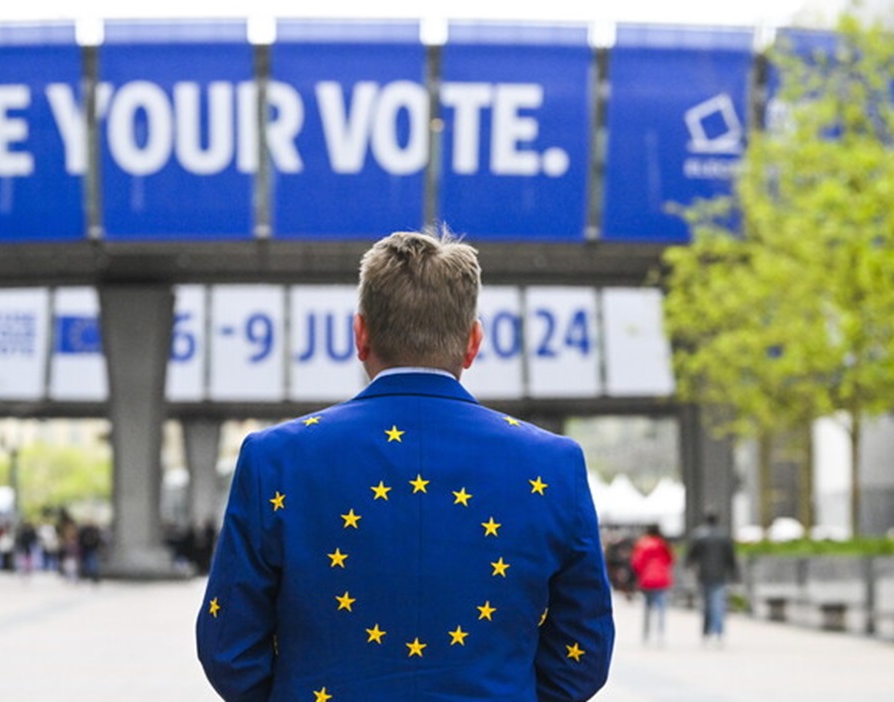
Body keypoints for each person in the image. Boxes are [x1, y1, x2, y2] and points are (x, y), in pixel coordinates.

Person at [196, 229, 614, 701]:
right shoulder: (554, 464)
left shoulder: (273, 458)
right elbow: (585, 649)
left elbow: (227, 647)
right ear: (473, 342)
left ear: (360, 334)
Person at [685, 510, 739, 646]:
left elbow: (691, 555)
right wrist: (734, 573)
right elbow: (731, 557)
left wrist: (689, 566)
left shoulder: (699, 535)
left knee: (707, 604)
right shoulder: (723, 536)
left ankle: (707, 631)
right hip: (720, 574)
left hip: (704, 574)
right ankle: (718, 631)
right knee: (718, 603)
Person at [629, 524, 674, 646]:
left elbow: (636, 562)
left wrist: (641, 574)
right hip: (661, 579)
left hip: (647, 579)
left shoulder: (642, 544)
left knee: (647, 608)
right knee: (661, 608)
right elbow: (671, 559)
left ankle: (646, 633)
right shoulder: (664, 544)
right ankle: (660, 633)